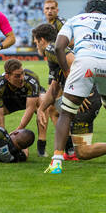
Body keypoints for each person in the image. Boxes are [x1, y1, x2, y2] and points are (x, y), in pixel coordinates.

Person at [38, 0, 106, 174]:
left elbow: (60, 47)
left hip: (84, 64)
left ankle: (57, 161)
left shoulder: (75, 19)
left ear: (88, 8)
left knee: (66, 114)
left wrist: (67, 72)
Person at [33, 23, 102, 161]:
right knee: (54, 109)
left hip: (87, 97)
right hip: (88, 95)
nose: (36, 46)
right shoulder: (54, 54)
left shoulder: (51, 49)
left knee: (83, 152)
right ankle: (68, 150)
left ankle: (67, 150)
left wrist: (78, 93)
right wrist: (41, 109)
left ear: (41, 40)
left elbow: (75, 63)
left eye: (36, 42)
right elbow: (54, 87)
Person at [0, 59, 43, 133]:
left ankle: (42, 141)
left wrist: (18, 130)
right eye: (17, 76)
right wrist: (4, 137)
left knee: (44, 102)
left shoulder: (32, 78)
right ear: (7, 77)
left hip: (30, 99)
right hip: (10, 102)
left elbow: (30, 108)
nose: (22, 78)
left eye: (23, 73)